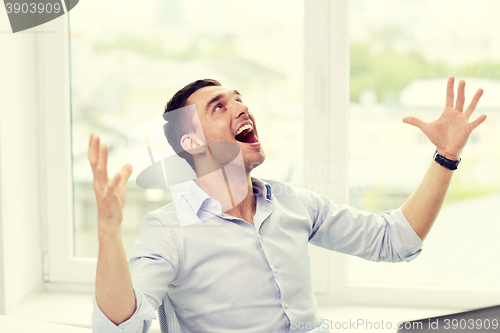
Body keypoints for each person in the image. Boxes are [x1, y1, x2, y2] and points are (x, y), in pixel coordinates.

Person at [90, 77, 486, 333]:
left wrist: (446, 156)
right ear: (191, 143)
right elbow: (121, 326)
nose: (242, 108)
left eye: (239, 99)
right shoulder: (169, 230)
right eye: (219, 107)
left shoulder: (293, 203)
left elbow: (394, 240)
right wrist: (108, 234)